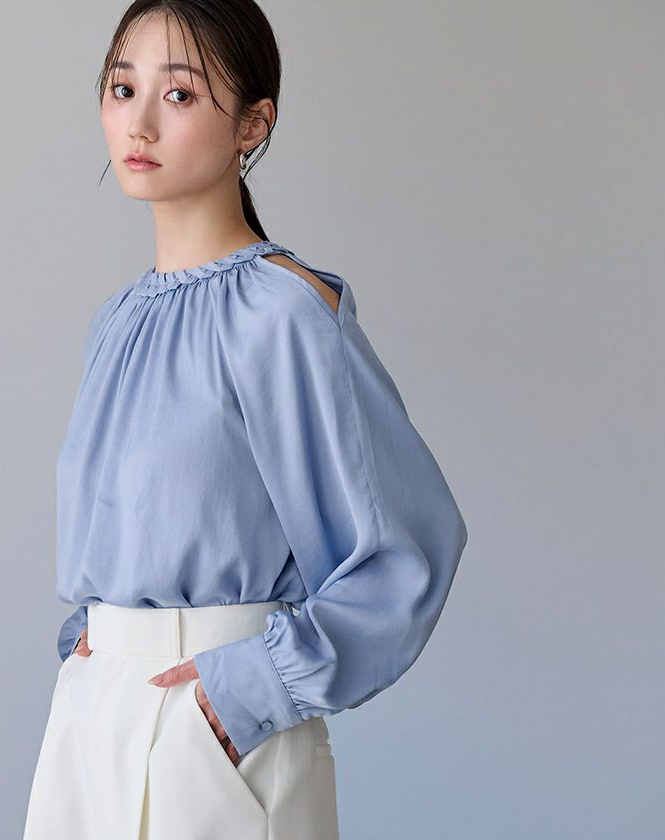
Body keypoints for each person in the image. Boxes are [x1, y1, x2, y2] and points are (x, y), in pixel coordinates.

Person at [23, 1, 469, 838]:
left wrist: (246, 694)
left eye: (180, 94)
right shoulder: (116, 322)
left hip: (212, 726)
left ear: (253, 124)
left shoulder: (284, 313)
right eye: (121, 88)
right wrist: (93, 645)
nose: (139, 121)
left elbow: (406, 551)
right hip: (88, 725)